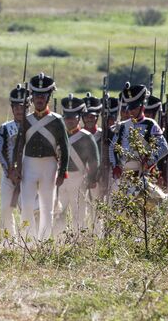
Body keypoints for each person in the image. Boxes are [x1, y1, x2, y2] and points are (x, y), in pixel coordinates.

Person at [18, 73, 69, 240]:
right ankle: (28, 240)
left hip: (49, 165)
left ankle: (45, 240)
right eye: (37, 95)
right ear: (32, 98)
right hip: (29, 164)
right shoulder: (26, 120)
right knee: (26, 205)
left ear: (48, 97)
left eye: (43, 95)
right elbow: (19, 147)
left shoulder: (57, 120)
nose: (40, 99)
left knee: (47, 207)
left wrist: (62, 172)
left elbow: (65, 147)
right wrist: (16, 167)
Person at [109, 83, 168, 198]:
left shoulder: (151, 124)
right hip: (122, 177)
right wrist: (115, 165)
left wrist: (149, 161)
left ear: (142, 107)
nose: (131, 111)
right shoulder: (122, 126)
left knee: (156, 203)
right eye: (130, 108)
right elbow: (112, 147)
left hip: (141, 175)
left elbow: (164, 147)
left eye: (135, 108)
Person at [54, 95, 100, 235]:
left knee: (78, 214)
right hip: (61, 179)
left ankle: (78, 241)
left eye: (72, 117)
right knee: (58, 213)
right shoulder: (59, 135)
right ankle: (57, 239)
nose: (69, 120)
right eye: (67, 117)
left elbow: (94, 161)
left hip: (78, 178)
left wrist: (91, 179)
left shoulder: (86, 136)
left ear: (79, 117)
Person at [0, 84, 28, 236]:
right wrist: (9, 171)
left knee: (27, 208)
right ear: (12, 108)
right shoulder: (5, 128)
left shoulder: (33, 127)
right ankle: (11, 239)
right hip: (9, 174)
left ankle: (28, 238)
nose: (19, 111)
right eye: (16, 108)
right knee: (5, 208)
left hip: (28, 175)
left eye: (22, 107)